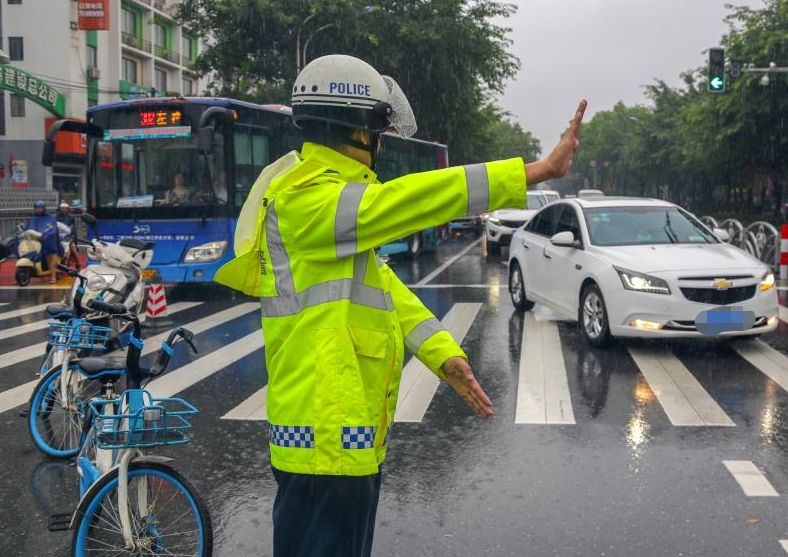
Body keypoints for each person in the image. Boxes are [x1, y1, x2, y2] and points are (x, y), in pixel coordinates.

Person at [215, 54, 586, 557]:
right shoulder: (308, 200)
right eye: (378, 130)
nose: (381, 143)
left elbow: (384, 286)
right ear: (354, 128)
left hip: (338, 439)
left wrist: (441, 352)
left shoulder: (330, 206)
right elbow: (404, 201)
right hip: (325, 437)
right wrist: (534, 171)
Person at [25, 200, 63, 283]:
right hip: (35, 242)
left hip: (47, 242)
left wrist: (44, 235)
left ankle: (53, 277)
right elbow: (28, 228)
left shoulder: (50, 218)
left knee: (50, 259)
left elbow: (52, 229)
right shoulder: (32, 218)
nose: (38, 209)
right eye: (37, 208)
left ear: (44, 208)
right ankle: (21, 277)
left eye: (40, 208)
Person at [56, 201, 80, 269]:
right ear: (60, 208)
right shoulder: (55, 217)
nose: (64, 209)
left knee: (73, 249)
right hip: (57, 238)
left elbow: (73, 229)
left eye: (65, 208)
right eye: (62, 208)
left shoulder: (71, 217)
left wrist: (73, 238)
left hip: (68, 238)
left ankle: (78, 264)